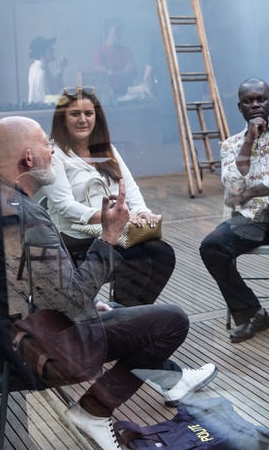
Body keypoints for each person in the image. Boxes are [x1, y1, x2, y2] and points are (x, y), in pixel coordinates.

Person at [0, 116, 216, 450]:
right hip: (38, 355)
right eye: (44, 144)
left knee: (114, 306)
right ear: (27, 159)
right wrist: (110, 235)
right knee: (171, 321)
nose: (51, 150)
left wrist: (85, 301)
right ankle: (93, 411)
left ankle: (170, 379)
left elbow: (20, 283)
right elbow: (70, 301)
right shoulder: (27, 219)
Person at [37, 87, 176, 306]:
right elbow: (64, 206)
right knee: (136, 260)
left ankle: (128, 314)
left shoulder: (106, 149)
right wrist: (107, 218)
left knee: (163, 254)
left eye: (88, 114)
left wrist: (142, 211)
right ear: (63, 119)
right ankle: (124, 316)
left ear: (97, 117)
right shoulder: (56, 156)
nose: (83, 120)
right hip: (75, 236)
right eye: (75, 114)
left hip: (111, 230)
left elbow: (128, 185)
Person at [199, 78, 269, 342]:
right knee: (212, 248)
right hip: (250, 218)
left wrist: (249, 192)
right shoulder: (230, 145)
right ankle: (252, 313)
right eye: (248, 101)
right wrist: (249, 141)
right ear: (240, 108)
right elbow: (232, 183)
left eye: (260, 99)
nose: (255, 105)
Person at [93, 18, 153, 101]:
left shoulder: (126, 50)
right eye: (117, 30)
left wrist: (114, 73)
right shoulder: (100, 52)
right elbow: (101, 78)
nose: (120, 33)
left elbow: (132, 74)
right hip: (110, 95)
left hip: (129, 92)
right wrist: (123, 73)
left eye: (121, 30)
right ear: (108, 30)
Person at [27, 36, 67, 105]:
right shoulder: (41, 73)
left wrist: (61, 69)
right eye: (49, 47)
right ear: (42, 54)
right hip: (41, 114)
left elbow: (54, 87)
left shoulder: (35, 67)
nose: (53, 49)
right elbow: (46, 99)